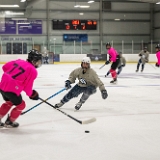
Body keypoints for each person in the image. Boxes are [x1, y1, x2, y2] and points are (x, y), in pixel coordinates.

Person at [0, 49, 42, 128]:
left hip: (2, 85)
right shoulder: (33, 70)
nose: (38, 63)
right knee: (21, 105)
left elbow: (5, 67)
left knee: (9, 102)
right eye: (38, 61)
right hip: (12, 90)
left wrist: (11, 77)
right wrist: (32, 94)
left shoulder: (19, 61)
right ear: (33, 61)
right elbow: (28, 87)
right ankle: (10, 122)